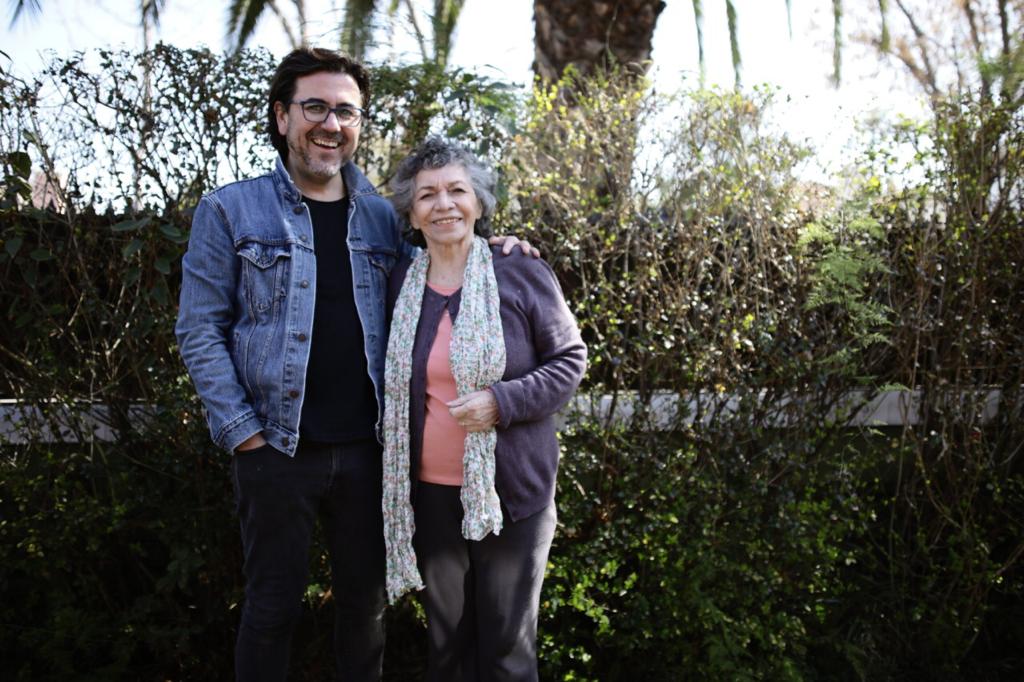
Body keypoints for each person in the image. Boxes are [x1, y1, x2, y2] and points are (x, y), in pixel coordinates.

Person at [175, 48, 533, 682]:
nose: (331, 124)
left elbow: (439, 264)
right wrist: (244, 434)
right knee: (271, 608)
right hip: (275, 447)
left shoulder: (382, 216)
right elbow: (200, 330)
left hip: (373, 452)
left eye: (346, 111)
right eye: (315, 107)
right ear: (282, 116)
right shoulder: (230, 210)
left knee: (366, 611)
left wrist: (493, 244)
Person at [382, 137, 587, 681]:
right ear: (411, 213)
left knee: (506, 653)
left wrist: (501, 402)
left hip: (511, 497)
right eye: (427, 195)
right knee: (446, 652)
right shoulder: (400, 284)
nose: (443, 204)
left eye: (457, 190)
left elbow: (569, 361)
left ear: (478, 202)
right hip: (429, 499)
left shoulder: (518, 271)